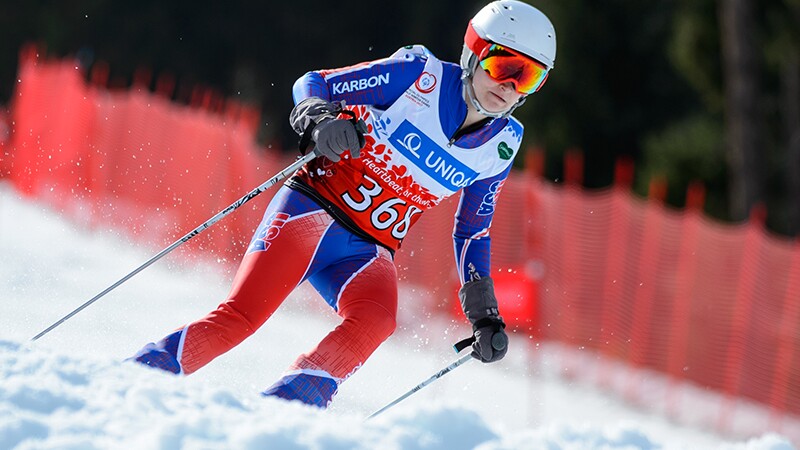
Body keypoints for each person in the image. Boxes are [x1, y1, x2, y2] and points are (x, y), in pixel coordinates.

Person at [130, 0, 556, 408]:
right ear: (474, 53)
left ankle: (283, 412)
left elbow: (472, 230)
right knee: (239, 319)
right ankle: (132, 381)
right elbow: (314, 83)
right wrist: (321, 120)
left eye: (530, 77)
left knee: (376, 321)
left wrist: (484, 312)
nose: (510, 86)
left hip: (369, 249)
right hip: (312, 212)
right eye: (504, 66)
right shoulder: (418, 77)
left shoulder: (502, 144)